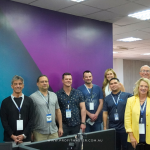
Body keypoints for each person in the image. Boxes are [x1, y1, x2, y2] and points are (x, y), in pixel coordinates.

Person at [0, 75, 34, 146]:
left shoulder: (29, 101)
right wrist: (12, 136)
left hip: (25, 138)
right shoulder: (5, 102)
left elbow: (32, 119)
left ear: (23, 86)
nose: (18, 86)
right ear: (12, 86)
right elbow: (4, 121)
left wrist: (23, 135)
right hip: (10, 139)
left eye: (20, 84)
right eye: (15, 84)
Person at [30, 75, 63, 141]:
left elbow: (58, 111)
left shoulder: (54, 95)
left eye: (46, 81)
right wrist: (31, 132)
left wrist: (60, 127)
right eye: (42, 82)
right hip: (39, 133)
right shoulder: (32, 97)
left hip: (54, 131)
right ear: (37, 84)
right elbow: (29, 116)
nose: (45, 83)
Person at [103, 78, 132, 150]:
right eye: (111, 84)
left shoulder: (127, 96)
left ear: (119, 84)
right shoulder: (107, 98)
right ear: (109, 86)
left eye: (115, 83)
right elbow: (105, 113)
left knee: (126, 147)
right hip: (112, 127)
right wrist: (104, 127)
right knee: (115, 147)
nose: (113, 85)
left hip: (124, 127)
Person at [125, 78, 150, 150]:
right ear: (138, 87)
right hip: (134, 138)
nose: (143, 88)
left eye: (146, 86)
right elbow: (127, 119)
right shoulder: (130, 100)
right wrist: (131, 136)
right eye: (141, 86)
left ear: (148, 88)